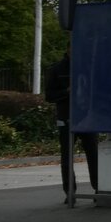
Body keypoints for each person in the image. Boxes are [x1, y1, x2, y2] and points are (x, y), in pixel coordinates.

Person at [45, 49, 98, 203]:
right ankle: (69, 191)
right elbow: (49, 95)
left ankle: (98, 187)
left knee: (93, 154)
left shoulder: (87, 67)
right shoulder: (57, 69)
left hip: (86, 117)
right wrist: (66, 91)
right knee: (67, 155)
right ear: (68, 50)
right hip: (67, 117)